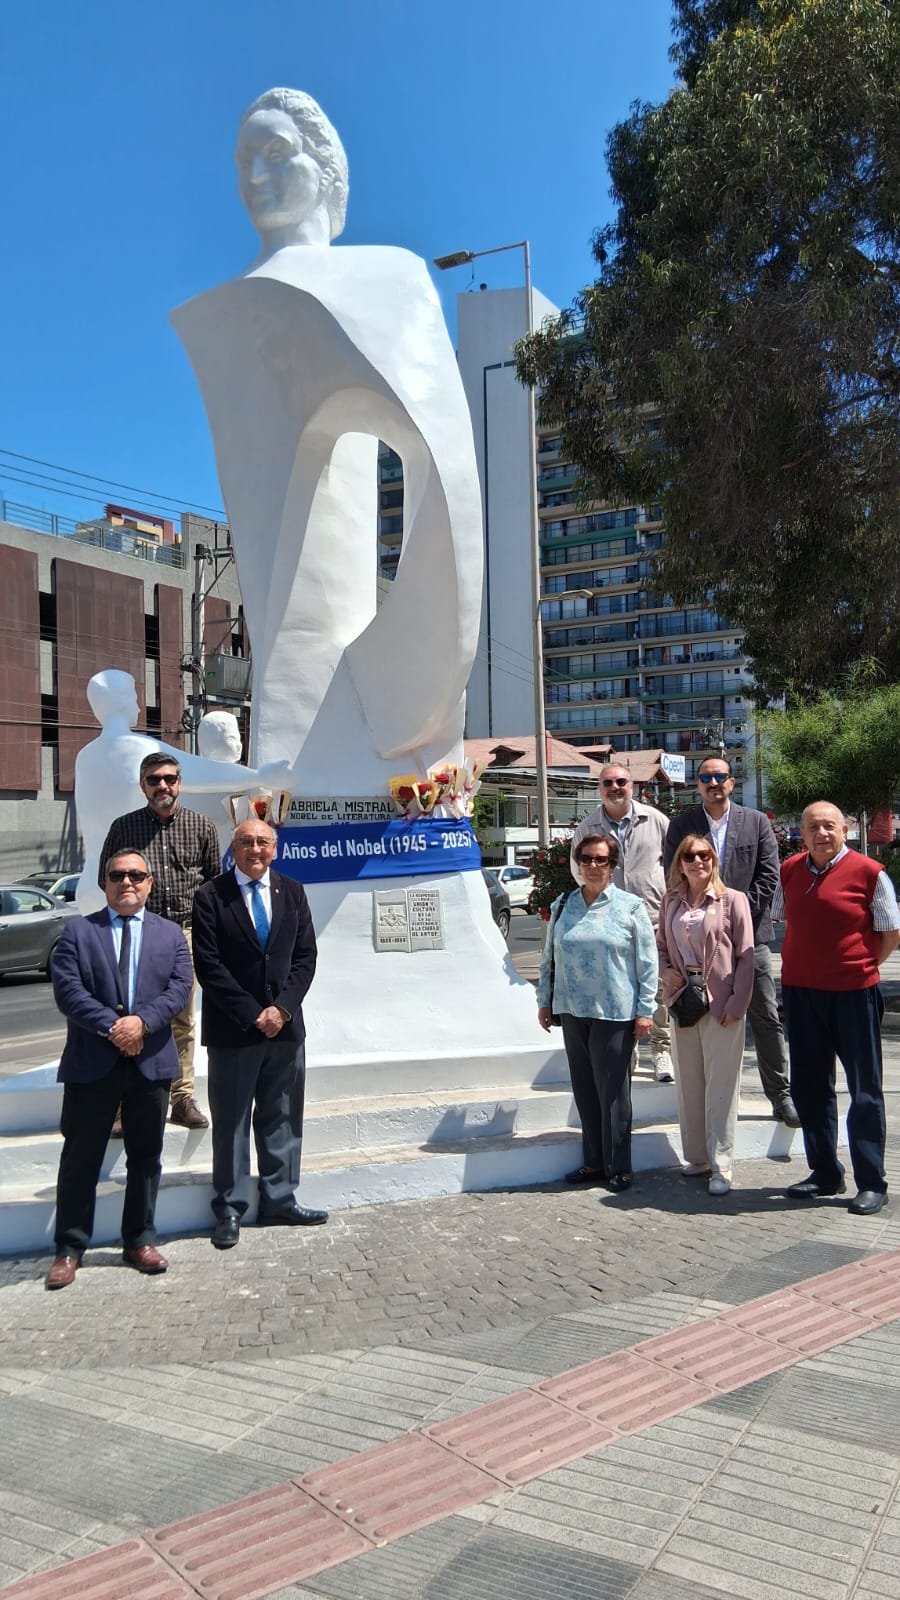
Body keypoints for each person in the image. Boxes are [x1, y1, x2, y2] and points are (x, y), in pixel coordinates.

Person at [45, 851, 193, 1289]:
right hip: (93, 1064)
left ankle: (140, 1239)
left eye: (136, 875)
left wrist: (141, 1024)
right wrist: (114, 1026)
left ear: (149, 883)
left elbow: (180, 987)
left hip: (150, 1064)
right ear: (104, 882)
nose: (126, 882)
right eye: (117, 875)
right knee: (80, 1159)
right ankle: (70, 1248)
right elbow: (68, 992)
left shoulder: (170, 936)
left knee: (146, 1158)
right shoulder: (76, 933)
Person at [192, 820, 325, 1248]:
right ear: (234, 848)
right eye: (246, 842)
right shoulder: (211, 895)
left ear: (275, 848)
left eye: (263, 842)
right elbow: (209, 966)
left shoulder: (293, 891)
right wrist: (254, 1014)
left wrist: (282, 1009)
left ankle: (280, 1198)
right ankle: (229, 1208)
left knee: (282, 1115)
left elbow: (306, 957)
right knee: (231, 1121)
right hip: (234, 1030)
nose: (255, 849)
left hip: (285, 1029)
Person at [775, 802, 900, 1216]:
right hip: (800, 993)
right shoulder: (790, 870)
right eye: (813, 827)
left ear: (844, 830)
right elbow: (781, 919)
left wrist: (860, 966)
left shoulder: (870, 873)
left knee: (864, 1089)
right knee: (811, 1088)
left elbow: (890, 932)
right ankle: (825, 1171)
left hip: (852, 994)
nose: (821, 833)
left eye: (829, 826)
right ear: (802, 833)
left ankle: (872, 1182)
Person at [663, 757, 800, 1127]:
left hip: (750, 939)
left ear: (732, 781)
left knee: (765, 1016)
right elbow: (673, 877)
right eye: (706, 777)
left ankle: (781, 1095)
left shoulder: (756, 823)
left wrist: (731, 919)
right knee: (703, 1020)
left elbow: (768, 877)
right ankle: (708, 1105)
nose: (713, 783)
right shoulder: (682, 826)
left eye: (720, 776)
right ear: (698, 785)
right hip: (697, 946)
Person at [99, 752, 221, 1130]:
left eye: (169, 778)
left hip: (185, 935)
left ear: (179, 783)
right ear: (143, 786)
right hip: (139, 932)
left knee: (181, 1018)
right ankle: (123, 1101)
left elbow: (213, 885)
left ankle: (181, 1098)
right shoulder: (124, 828)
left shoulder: (202, 827)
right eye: (154, 780)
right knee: (128, 1015)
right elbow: (107, 879)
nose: (162, 786)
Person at [537, 834, 658, 1192]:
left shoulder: (630, 907)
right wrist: (545, 1001)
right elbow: (549, 958)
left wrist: (645, 1009)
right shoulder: (562, 905)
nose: (592, 866)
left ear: (612, 865)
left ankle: (619, 1164)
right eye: (586, 859)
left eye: (600, 860)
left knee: (613, 1093)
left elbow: (647, 963)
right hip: (573, 1010)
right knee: (585, 1089)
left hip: (615, 1010)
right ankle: (593, 1161)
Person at [657, 835, 755, 1195]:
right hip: (683, 1000)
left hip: (720, 1002)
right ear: (679, 863)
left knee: (721, 1087)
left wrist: (736, 1004)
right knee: (689, 1083)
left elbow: (747, 956)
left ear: (713, 859)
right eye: (689, 856)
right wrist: (665, 971)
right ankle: (697, 1157)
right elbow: (662, 947)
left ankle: (722, 1165)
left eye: (704, 854)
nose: (697, 861)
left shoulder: (733, 901)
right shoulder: (671, 901)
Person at [571, 763, 673, 1082]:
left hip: (653, 918)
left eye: (621, 781)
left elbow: (674, 863)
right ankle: (627, 1054)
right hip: (608, 925)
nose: (615, 787)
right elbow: (578, 872)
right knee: (618, 990)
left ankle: (661, 1051)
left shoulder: (656, 820)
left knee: (655, 990)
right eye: (607, 783)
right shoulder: (588, 827)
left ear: (633, 786)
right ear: (599, 789)